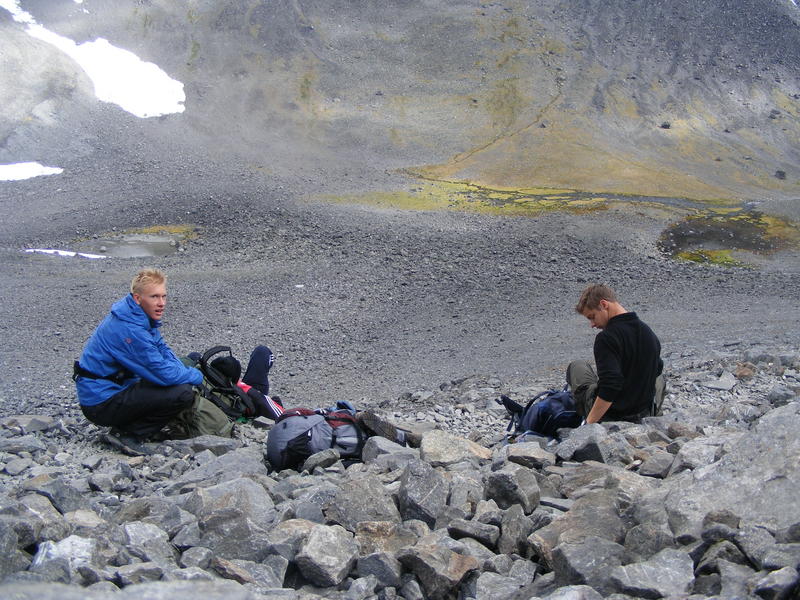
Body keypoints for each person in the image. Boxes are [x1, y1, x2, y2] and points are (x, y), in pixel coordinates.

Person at [74, 269, 204, 455]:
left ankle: (132, 425)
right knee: (181, 393)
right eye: (154, 297)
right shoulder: (130, 329)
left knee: (181, 372)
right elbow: (162, 373)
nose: (161, 303)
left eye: (163, 296)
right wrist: (196, 376)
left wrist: (183, 369)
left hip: (113, 391)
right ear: (137, 298)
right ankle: (128, 435)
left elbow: (163, 350)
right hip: (100, 403)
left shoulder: (136, 316)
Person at [567, 283, 665, 424]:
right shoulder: (648, 332)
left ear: (604, 304)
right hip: (643, 411)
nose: (592, 324)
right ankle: (652, 412)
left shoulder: (606, 338)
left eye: (592, 317)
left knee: (577, 366)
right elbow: (657, 369)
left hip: (612, 414)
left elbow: (611, 385)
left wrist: (589, 424)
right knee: (660, 378)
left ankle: (586, 411)